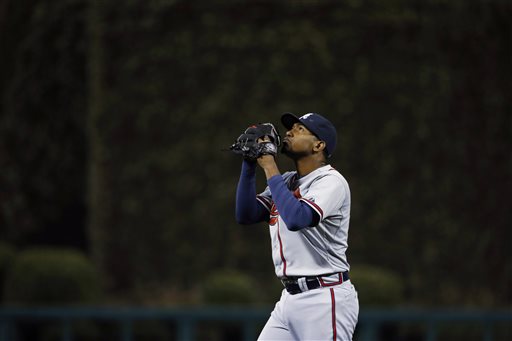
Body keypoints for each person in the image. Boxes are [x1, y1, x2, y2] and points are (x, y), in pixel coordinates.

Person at [235, 112, 359, 340]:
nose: (289, 132)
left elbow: (297, 219)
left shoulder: (331, 181)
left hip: (324, 298)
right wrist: (249, 164)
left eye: (300, 129)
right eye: (290, 128)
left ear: (318, 145)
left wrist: (270, 165)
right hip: (289, 299)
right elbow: (246, 214)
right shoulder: (286, 181)